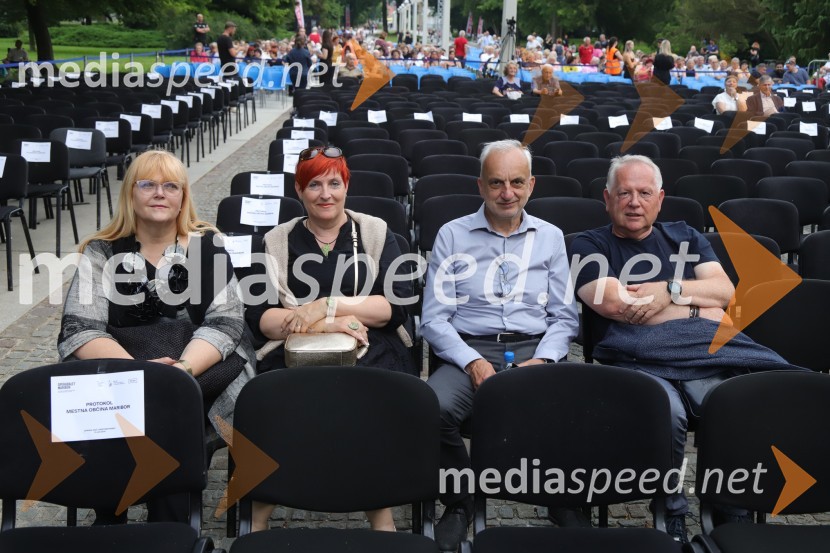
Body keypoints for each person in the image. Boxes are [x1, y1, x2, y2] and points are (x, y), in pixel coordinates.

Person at [570, 155, 801, 543]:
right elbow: (616, 306)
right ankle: (670, 511)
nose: (634, 202)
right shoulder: (588, 244)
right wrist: (696, 306)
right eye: (624, 193)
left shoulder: (685, 235)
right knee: (668, 413)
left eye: (644, 193)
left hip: (700, 354)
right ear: (607, 199)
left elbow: (725, 293)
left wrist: (666, 291)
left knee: (732, 405)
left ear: (660, 198)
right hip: (633, 360)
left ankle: (731, 509)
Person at [58, 150, 255, 518]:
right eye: (147, 184)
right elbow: (80, 327)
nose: (159, 193)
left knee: (172, 410)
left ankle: (172, 519)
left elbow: (225, 323)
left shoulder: (207, 248)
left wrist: (177, 373)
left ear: (183, 196)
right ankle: (110, 510)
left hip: (196, 366)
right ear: (130, 194)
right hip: (123, 367)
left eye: (170, 186)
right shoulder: (100, 252)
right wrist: (139, 373)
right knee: (121, 405)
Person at [245, 145, 415, 532]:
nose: (326, 194)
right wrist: (326, 327)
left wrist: (326, 306)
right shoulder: (276, 241)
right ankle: (259, 514)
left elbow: (394, 308)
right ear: (299, 191)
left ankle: (379, 513)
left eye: (334, 183)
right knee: (279, 405)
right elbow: (262, 320)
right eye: (315, 185)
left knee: (363, 401)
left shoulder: (373, 231)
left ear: (346, 186)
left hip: (369, 347)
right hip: (293, 353)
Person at [423, 140, 579, 551]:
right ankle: (459, 501)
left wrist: (544, 359)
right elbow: (434, 319)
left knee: (579, 406)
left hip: (534, 349)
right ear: (480, 185)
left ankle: (561, 496)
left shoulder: (551, 237)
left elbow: (565, 317)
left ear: (531, 185)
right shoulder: (452, 235)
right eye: (496, 183)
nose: (506, 193)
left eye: (515, 182)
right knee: (432, 409)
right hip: (469, 349)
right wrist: (473, 362)